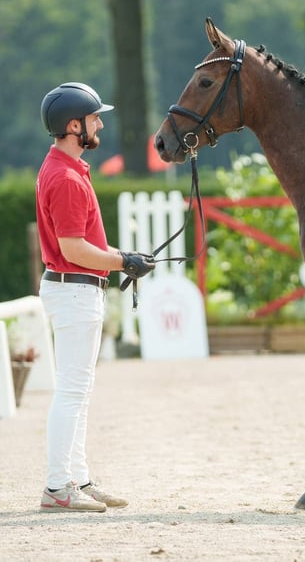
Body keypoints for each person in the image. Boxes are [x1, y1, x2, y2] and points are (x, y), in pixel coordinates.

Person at [36, 82, 155, 512]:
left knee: (78, 391)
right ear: (74, 126)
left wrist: (123, 259)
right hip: (74, 290)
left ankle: (77, 479)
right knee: (72, 391)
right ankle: (57, 486)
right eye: (93, 118)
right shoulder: (66, 177)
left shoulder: (66, 169)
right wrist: (124, 260)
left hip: (76, 289)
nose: (100, 123)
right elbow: (73, 249)